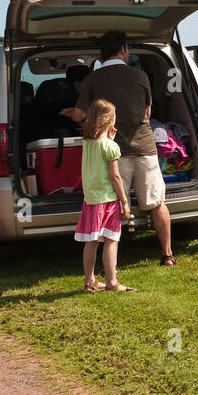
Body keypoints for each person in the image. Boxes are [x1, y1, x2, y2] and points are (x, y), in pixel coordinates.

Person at [61, 30, 176, 265]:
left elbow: (80, 115)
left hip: (113, 152)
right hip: (145, 149)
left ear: (101, 55)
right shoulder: (140, 76)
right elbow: (147, 113)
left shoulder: (92, 80)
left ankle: (109, 265)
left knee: (112, 207)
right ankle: (167, 254)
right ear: (123, 49)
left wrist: (65, 112)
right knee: (156, 203)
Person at [75, 99, 134, 292]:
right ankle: (112, 282)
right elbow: (115, 176)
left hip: (91, 199)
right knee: (111, 240)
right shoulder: (111, 147)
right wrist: (124, 201)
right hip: (108, 199)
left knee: (91, 242)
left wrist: (109, 137)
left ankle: (90, 281)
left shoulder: (88, 142)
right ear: (109, 119)